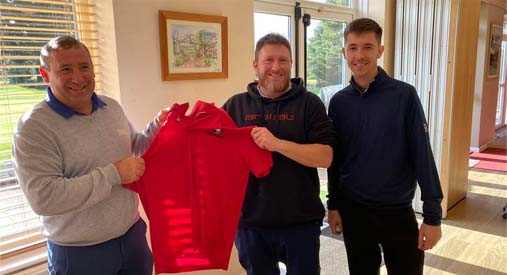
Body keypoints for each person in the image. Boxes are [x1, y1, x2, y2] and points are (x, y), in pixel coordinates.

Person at [12, 36, 170, 275]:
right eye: (65, 69)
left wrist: (157, 125)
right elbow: (44, 198)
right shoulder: (33, 128)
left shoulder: (111, 107)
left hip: (132, 238)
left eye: (84, 67)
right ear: (45, 75)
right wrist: (112, 174)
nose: (78, 77)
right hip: (79, 255)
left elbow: (134, 147)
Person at [326, 18, 443, 275]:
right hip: (354, 211)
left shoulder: (404, 96)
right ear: (344, 52)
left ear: (380, 50)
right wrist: (333, 204)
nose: (359, 55)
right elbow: (336, 160)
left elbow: (423, 156)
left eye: (367, 47)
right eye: (353, 47)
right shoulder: (338, 103)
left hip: (397, 213)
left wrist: (433, 216)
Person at [223, 33, 336, 275]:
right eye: (269, 60)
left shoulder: (310, 104)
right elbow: (212, 152)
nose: (276, 67)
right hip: (249, 224)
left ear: (291, 64)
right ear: (255, 65)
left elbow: (325, 156)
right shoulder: (235, 106)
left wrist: (277, 144)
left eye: (283, 61)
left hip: (301, 223)